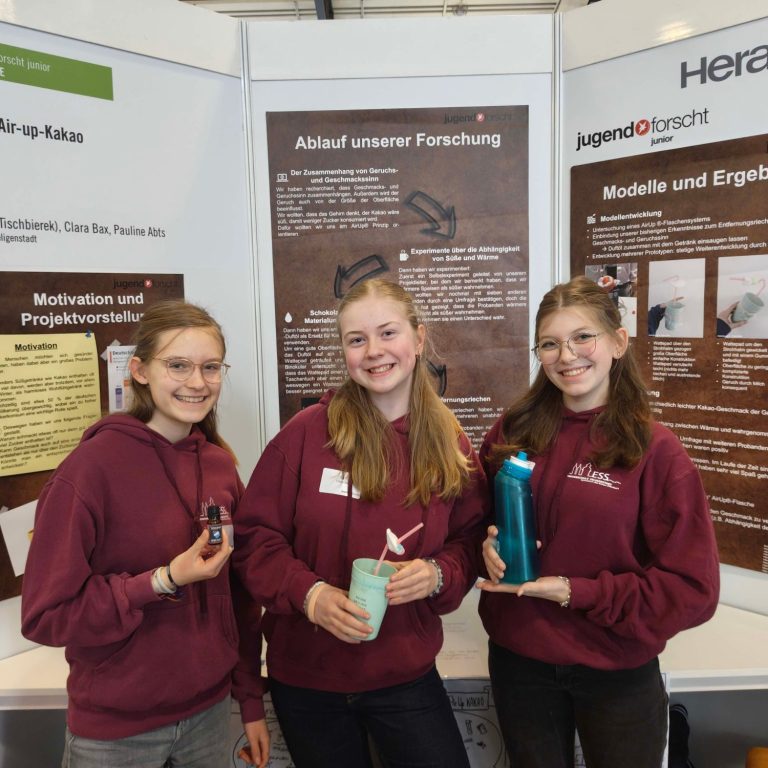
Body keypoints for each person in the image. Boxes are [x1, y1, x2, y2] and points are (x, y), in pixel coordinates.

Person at [233, 278, 488, 768]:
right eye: (357, 339)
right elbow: (254, 539)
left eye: (388, 333)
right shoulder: (305, 435)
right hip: (307, 680)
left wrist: (437, 574)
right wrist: (310, 595)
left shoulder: (449, 442)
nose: (374, 351)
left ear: (418, 338)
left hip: (405, 675)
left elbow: (470, 538)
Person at [477, 276, 719, 768]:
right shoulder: (512, 431)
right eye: (550, 343)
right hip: (520, 662)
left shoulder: (656, 451)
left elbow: (694, 590)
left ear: (618, 341)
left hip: (616, 669)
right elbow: (471, 524)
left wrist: (577, 592)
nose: (566, 356)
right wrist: (484, 543)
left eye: (582, 337)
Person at [21, 300, 270, 768]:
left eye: (210, 367)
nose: (197, 382)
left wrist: (250, 700)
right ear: (139, 371)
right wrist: (162, 580)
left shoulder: (219, 466)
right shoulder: (89, 471)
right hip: (115, 735)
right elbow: (46, 616)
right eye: (178, 365)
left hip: (210, 715)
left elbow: (240, 598)